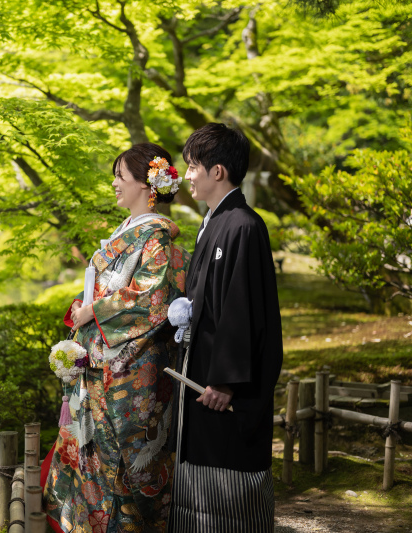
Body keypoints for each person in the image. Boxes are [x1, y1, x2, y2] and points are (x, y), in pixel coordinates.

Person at [42, 143, 190, 533]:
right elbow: (106, 289)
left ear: (147, 186)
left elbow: (152, 300)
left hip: (128, 372)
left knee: (125, 467)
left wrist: (95, 311)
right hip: (100, 363)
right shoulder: (126, 233)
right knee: (91, 456)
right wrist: (82, 308)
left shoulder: (155, 237)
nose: (114, 184)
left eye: (121, 177)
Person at [167, 123, 283, 532]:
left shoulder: (243, 226)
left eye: (193, 166)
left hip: (221, 384)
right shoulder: (215, 223)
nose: (187, 176)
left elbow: (242, 310)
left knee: (228, 481)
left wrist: (225, 381)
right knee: (197, 480)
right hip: (201, 371)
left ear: (218, 171)